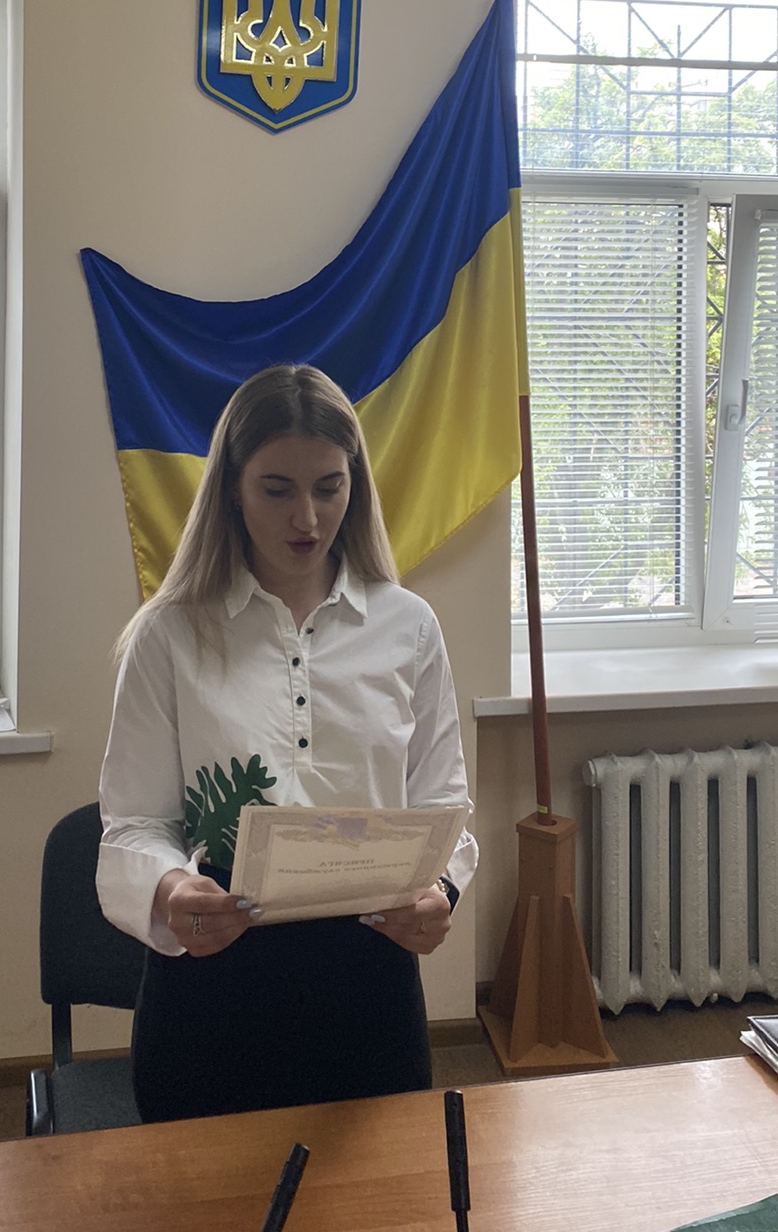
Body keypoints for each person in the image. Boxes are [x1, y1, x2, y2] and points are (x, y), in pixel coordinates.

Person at [96, 363, 477, 1122]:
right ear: (232, 490)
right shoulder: (170, 635)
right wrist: (170, 890)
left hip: (368, 982)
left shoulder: (407, 626)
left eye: (329, 488)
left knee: (376, 1185)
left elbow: (443, 805)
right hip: (215, 980)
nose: (307, 517)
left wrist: (442, 893)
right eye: (277, 490)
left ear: (355, 485)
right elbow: (133, 824)